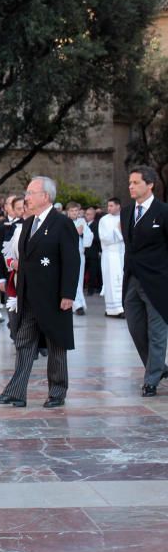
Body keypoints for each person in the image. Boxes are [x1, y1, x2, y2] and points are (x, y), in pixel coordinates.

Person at [0, 176, 78, 409]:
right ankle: (16, 392)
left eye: (30, 193)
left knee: (56, 344)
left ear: (45, 196)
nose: (26, 197)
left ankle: (57, 392)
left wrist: (68, 294)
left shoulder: (62, 223)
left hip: (53, 296)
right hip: (28, 296)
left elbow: (71, 261)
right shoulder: (29, 223)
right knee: (23, 342)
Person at [121, 166, 168, 397]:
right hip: (132, 281)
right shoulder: (126, 212)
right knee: (136, 329)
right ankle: (159, 367)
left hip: (158, 283)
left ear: (149, 185)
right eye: (130, 182)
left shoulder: (163, 212)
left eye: (136, 182)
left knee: (157, 333)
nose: (131, 186)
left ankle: (151, 380)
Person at [99, 198, 125, 318]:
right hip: (110, 255)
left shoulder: (124, 217)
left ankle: (123, 307)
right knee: (111, 282)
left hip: (122, 253)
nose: (109, 208)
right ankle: (113, 309)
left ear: (118, 206)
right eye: (108, 206)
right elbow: (104, 238)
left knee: (122, 281)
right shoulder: (104, 220)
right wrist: (117, 230)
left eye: (111, 206)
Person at [65, 202, 92, 315]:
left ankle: (78, 304)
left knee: (79, 279)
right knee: (70, 279)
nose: (74, 213)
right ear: (68, 212)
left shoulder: (82, 222)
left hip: (79, 253)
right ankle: (77, 305)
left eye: (76, 211)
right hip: (66, 254)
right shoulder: (64, 222)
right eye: (72, 211)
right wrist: (76, 232)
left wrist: (80, 233)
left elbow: (88, 236)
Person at [84, 206, 102, 295]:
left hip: (93, 251)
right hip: (85, 252)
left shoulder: (96, 225)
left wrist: (88, 237)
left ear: (93, 215)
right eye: (86, 214)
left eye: (88, 214)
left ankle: (91, 289)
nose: (86, 216)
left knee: (93, 271)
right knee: (83, 270)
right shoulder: (84, 224)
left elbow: (98, 238)